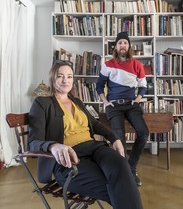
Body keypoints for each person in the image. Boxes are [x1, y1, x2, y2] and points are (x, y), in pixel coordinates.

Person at [28, 60, 143, 209]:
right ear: (52, 78)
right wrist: (53, 146)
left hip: (95, 148)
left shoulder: (76, 101)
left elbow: (94, 124)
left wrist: (114, 138)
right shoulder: (42, 103)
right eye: (60, 76)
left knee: (122, 166)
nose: (65, 80)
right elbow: (33, 142)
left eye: (69, 76)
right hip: (69, 159)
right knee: (118, 185)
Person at [96, 31, 149, 186]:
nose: (122, 45)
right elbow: (99, 86)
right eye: (119, 43)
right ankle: (126, 172)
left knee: (144, 133)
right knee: (120, 137)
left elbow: (143, 87)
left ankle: (131, 167)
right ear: (116, 46)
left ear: (129, 45)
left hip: (131, 105)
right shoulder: (107, 64)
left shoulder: (137, 65)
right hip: (114, 106)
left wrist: (137, 100)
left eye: (125, 42)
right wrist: (106, 102)